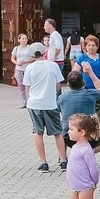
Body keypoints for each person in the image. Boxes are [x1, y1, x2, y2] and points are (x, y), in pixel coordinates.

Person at [24, 41, 67, 172]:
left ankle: (43, 162)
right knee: (57, 132)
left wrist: (28, 101)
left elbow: (27, 87)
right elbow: (58, 86)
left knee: (38, 132)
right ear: (44, 52)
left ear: (32, 54)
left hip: (34, 103)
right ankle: (63, 160)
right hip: (50, 103)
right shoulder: (53, 66)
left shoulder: (29, 68)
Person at [10, 33, 31, 107]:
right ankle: (23, 102)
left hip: (28, 69)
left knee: (28, 85)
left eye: (25, 38)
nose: (24, 40)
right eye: (23, 38)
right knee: (21, 86)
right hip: (19, 69)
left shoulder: (30, 48)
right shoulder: (16, 48)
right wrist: (16, 63)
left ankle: (29, 101)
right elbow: (12, 58)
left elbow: (34, 58)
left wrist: (25, 61)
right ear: (19, 40)